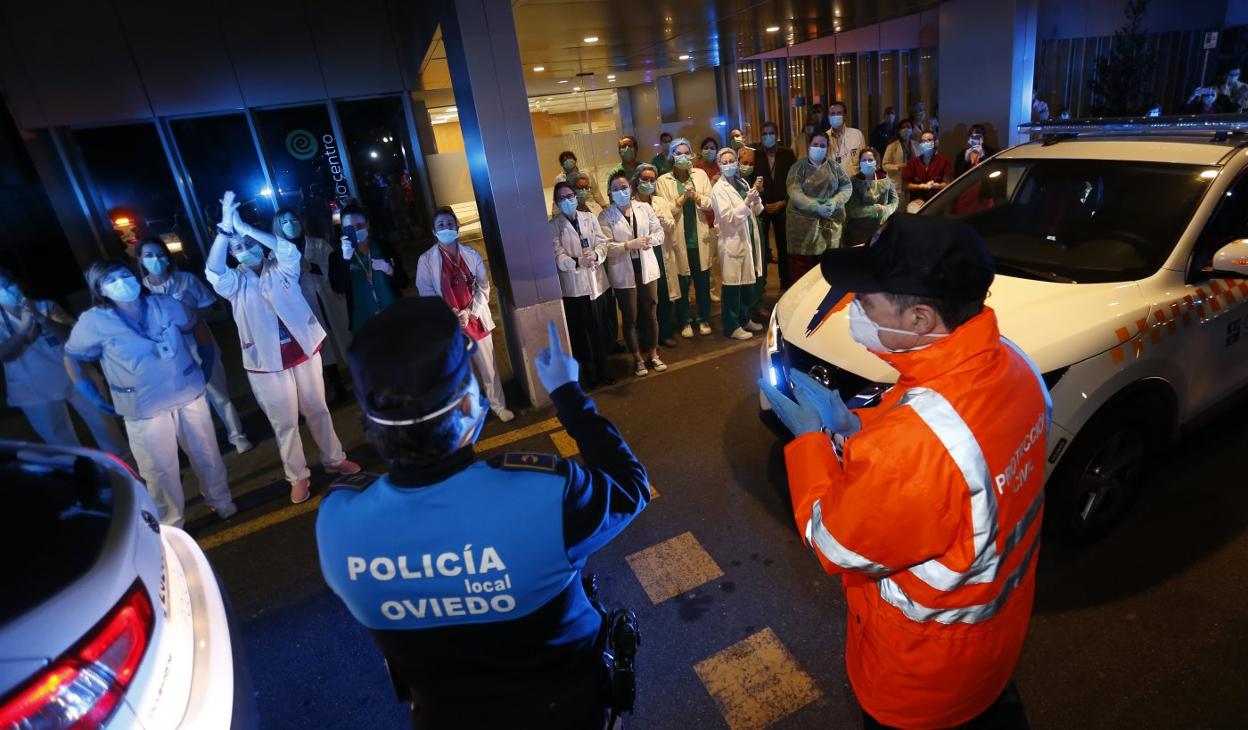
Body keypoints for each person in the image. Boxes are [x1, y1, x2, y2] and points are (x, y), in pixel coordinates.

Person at [759, 213, 1048, 730]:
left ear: (918, 319)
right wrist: (854, 424)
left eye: (866, 303)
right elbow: (948, 441)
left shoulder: (912, 445)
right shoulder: (1012, 365)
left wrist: (809, 446)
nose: (854, 311)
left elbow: (835, 544)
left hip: (921, 679)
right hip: (992, 643)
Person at [316, 301, 650, 728]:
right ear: (467, 409)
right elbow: (630, 487)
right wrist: (569, 396)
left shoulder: (338, 524)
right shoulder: (542, 496)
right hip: (566, 714)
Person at [207, 191, 360, 504]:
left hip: (303, 351)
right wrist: (225, 231)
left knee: (318, 409)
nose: (246, 249)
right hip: (266, 364)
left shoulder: (282, 266)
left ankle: (334, 459)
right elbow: (213, 270)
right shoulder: (234, 283)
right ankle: (298, 476)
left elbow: (288, 249)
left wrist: (246, 228)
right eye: (239, 248)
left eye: (249, 244)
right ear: (232, 255)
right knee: (285, 423)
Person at [65, 260, 235, 526]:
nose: (121, 283)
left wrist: (207, 355)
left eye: (124, 275)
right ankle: (170, 522)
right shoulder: (93, 322)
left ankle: (222, 502)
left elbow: (196, 324)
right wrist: (86, 389)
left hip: (188, 394)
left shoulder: (164, 304)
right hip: (142, 408)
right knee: (159, 470)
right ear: (100, 291)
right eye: (110, 281)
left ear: (134, 276)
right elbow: (72, 356)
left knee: (207, 454)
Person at [137, 237, 252, 454]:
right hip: (167, 354)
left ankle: (237, 435)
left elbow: (209, 306)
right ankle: (205, 445)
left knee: (217, 391)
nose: (156, 259)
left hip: (198, 342)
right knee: (186, 401)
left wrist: (189, 317)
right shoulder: (140, 291)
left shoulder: (186, 280)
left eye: (160, 254)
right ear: (140, 260)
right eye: (149, 255)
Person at [0, 269, 127, 454]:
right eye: (1, 288)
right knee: (60, 441)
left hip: (76, 378)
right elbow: (4, 355)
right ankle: (82, 476)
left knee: (105, 428)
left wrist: (41, 318)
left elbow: (73, 337)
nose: (7, 290)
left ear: (18, 283)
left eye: (8, 284)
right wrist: (22, 332)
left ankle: (126, 472)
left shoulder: (46, 306)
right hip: (32, 390)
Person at [415, 207, 515, 422]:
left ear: (457, 228)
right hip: (449, 324)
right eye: (441, 225)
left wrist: (471, 311)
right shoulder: (426, 260)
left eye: (450, 224)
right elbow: (426, 293)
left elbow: (483, 286)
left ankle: (498, 406)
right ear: (434, 231)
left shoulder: (471, 254)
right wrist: (451, 313)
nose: (446, 228)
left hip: (475, 319)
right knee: (461, 372)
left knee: (489, 368)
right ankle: (472, 411)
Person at [272, 208, 353, 401]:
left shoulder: (318, 244)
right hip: (305, 303)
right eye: (284, 222)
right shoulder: (277, 253)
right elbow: (277, 283)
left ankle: (356, 373)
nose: (290, 225)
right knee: (320, 344)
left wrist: (314, 267)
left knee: (342, 335)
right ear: (278, 227)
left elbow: (335, 267)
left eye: (293, 220)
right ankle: (336, 383)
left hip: (328, 296)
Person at [600, 171, 665, 377]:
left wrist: (648, 241)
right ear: (610, 193)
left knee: (651, 312)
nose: (621, 192)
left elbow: (659, 234)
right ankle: (637, 359)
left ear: (631, 188)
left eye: (624, 187)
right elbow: (607, 247)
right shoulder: (605, 216)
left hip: (646, 267)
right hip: (623, 271)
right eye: (616, 189)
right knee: (630, 316)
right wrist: (629, 245)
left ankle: (653, 354)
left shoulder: (644, 208)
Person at [551, 181, 614, 387]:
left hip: (596, 284)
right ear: (556, 202)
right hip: (574, 289)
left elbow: (602, 241)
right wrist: (577, 261)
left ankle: (604, 370)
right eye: (562, 198)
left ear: (576, 196)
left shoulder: (589, 218)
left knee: (599, 329)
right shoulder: (553, 226)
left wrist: (596, 254)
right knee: (580, 334)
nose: (567, 200)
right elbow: (558, 256)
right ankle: (588, 374)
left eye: (570, 195)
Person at [656, 137, 716, 338]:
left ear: (691, 154)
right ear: (672, 156)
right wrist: (683, 198)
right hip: (678, 240)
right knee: (682, 282)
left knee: (702, 281)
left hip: (699, 237)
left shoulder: (700, 175)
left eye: (685, 152)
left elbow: (709, 202)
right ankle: (685, 321)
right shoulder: (663, 181)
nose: (682, 156)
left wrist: (696, 196)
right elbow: (665, 210)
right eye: (678, 153)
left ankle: (703, 318)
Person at [710, 147, 765, 340]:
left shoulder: (742, 182)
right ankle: (731, 326)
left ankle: (744, 319)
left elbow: (757, 210)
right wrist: (746, 201)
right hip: (732, 241)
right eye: (724, 162)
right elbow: (727, 219)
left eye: (732, 160)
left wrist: (755, 197)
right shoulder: (718, 190)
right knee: (733, 287)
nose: (729, 165)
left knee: (747, 284)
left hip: (748, 239)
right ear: (719, 165)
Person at [785, 132, 853, 283]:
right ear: (809, 146)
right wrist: (815, 207)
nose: (818, 148)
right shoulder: (798, 168)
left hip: (829, 225)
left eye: (822, 145)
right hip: (803, 228)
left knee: (826, 271)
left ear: (828, 148)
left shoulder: (834, 167)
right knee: (803, 272)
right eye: (815, 144)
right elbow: (794, 192)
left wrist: (835, 201)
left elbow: (846, 187)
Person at [331, 204, 408, 334]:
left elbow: (404, 282)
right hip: (363, 324)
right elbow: (338, 288)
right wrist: (345, 260)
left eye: (359, 226)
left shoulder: (383, 247)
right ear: (343, 229)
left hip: (394, 315)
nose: (355, 231)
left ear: (367, 224)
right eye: (349, 228)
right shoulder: (337, 256)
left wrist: (389, 269)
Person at [633, 163, 679, 348]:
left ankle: (666, 333)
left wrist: (662, 221)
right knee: (645, 299)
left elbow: (671, 224)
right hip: (643, 254)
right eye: (645, 179)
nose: (649, 183)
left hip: (661, 251)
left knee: (664, 296)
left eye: (652, 180)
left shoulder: (659, 201)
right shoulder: (631, 203)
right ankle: (646, 337)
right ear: (637, 180)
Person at [755, 120, 798, 289]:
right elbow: (750, 180)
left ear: (777, 135)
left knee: (783, 246)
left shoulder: (788, 154)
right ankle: (761, 282)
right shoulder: (756, 155)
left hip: (783, 206)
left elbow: (795, 181)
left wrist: (784, 201)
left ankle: (785, 283)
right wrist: (761, 203)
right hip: (761, 207)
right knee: (762, 246)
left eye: (771, 133)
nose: (768, 137)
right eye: (764, 134)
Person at [844, 148, 899, 247]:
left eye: (870, 160)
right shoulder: (853, 182)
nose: (867, 163)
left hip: (880, 231)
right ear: (859, 163)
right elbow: (850, 208)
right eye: (864, 160)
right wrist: (871, 210)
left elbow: (895, 200)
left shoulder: (885, 179)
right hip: (857, 233)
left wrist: (885, 210)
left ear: (877, 163)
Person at [901, 130, 953, 213]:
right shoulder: (913, 163)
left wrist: (936, 185)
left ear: (935, 142)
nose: (926, 143)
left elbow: (947, 184)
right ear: (920, 144)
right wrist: (921, 186)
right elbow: (905, 185)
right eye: (923, 141)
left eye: (929, 140)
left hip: (937, 203)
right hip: (917, 204)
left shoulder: (943, 162)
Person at [883, 118, 918, 208]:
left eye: (908, 127)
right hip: (898, 183)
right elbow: (884, 165)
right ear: (899, 131)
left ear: (912, 129)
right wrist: (898, 166)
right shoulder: (892, 146)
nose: (906, 129)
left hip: (912, 183)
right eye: (903, 127)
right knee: (899, 210)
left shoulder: (916, 145)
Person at [827, 100, 866, 177]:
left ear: (844, 115)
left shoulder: (857, 134)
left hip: (854, 184)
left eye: (838, 113)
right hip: (833, 185)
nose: (835, 116)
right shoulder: (824, 138)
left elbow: (864, 162)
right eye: (832, 114)